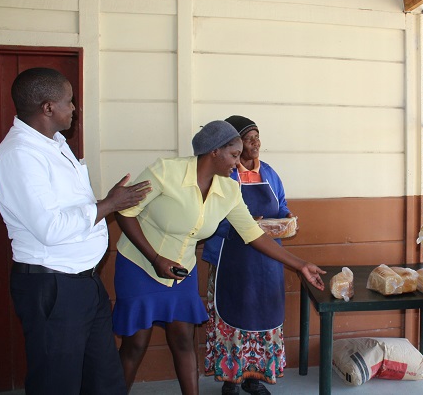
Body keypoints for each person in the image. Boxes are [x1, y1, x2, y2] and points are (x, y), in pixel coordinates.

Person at [113, 120, 325, 395]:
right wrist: (155, 258)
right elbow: (125, 212)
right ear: (214, 151)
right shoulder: (166, 171)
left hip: (181, 271)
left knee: (183, 341)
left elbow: (253, 233)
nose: (238, 164)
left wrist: (300, 265)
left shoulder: (228, 190)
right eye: (234, 155)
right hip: (140, 265)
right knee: (136, 344)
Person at [0, 67, 152, 394]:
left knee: (104, 379)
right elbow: (51, 229)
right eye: (69, 101)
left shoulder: (55, 144)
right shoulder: (20, 155)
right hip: (53, 284)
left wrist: (106, 204)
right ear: (47, 108)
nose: (74, 108)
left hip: (83, 282)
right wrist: (109, 204)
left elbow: (71, 209)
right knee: (57, 383)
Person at [202, 116, 294, 395]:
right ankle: (231, 379)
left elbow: (282, 204)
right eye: (248, 139)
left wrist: (287, 217)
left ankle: (255, 377)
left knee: (263, 317)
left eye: (257, 137)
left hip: (266, 262)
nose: (255, 144)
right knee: (233, 317)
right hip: (232, 260)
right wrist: (241, 223)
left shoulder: (269, 172)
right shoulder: (224, 173)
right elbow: (208, 217)